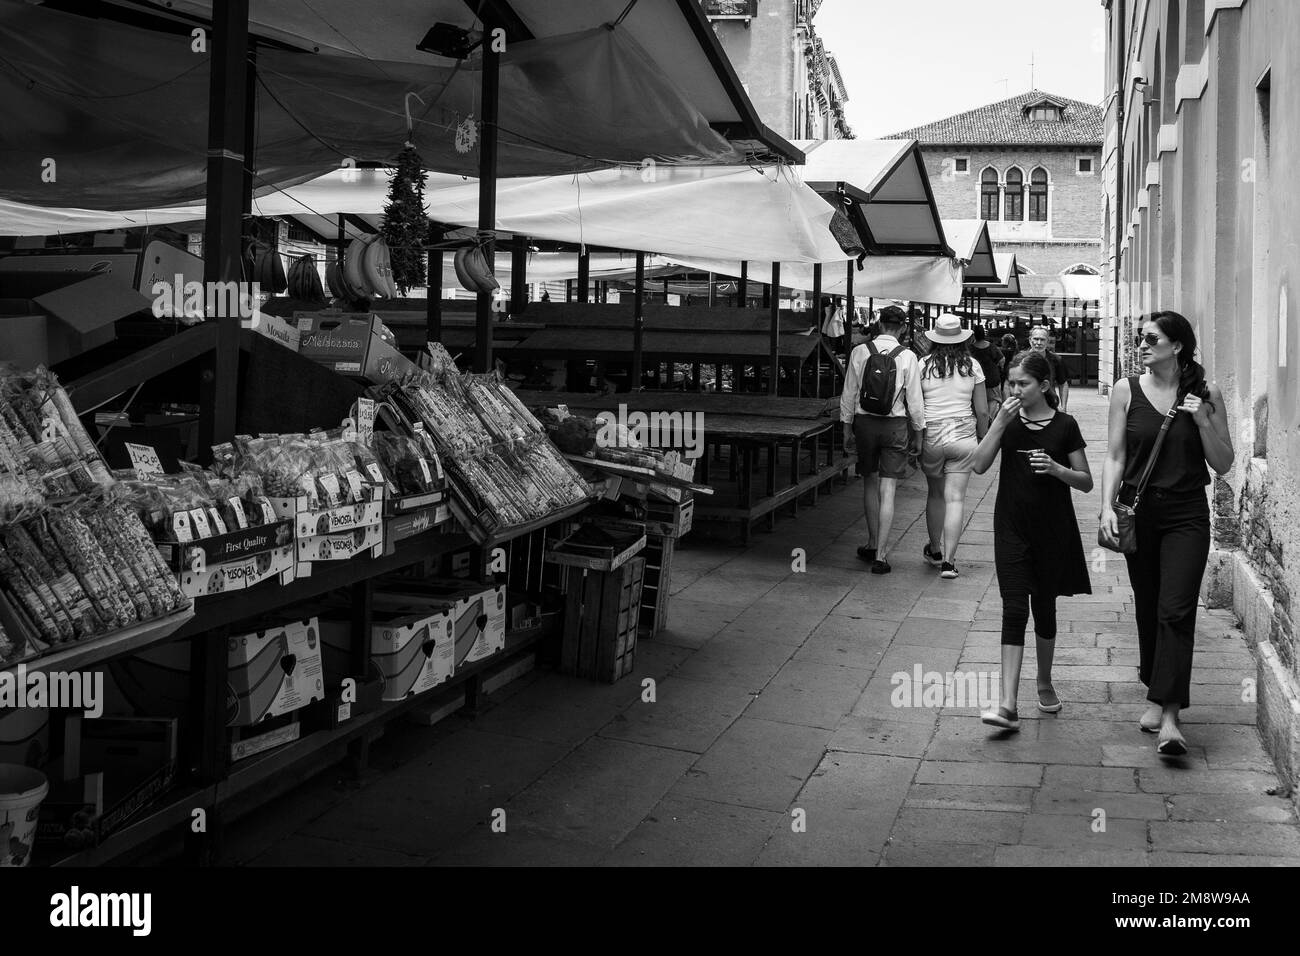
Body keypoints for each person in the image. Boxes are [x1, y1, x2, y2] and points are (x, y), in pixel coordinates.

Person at [1099, 311, 1234, 756]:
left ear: (1176, 346)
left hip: (1187, 515)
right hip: (1140, 512)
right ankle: (1155, 690)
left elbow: (1223, 461)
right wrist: (1106, 506)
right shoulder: (1126, 389)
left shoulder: (1206, 393)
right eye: (1140, 338)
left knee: (1175, 610)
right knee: (1149, 605)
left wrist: (1202, 422)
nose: (1142, 344)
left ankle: (1171, 717)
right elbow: (1116, 455)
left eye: (1151, 338)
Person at [971, 351, 1094, 731]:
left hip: (1052, 527)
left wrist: (1057, 469)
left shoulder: (1065, 425)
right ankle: (1008, 704)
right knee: (1013, 606)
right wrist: (998, 424)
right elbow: (978, 465)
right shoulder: (1006, 422)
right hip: (1011, 525)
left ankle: (1043, 680)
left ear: (1043, 386)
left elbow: (1086, 480)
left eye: (1022, 383)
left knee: (1044, 605)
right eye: (1011, 383)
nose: (1014, 389)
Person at [841, 305, 925, 574]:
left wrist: (846, 427)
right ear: (902, 328)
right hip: (896, 426)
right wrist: (919, 434)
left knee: (869, 482)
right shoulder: (908, 356)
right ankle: (881, 555)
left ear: (878, 324)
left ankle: (871, 540)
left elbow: (850, 393)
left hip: (864, 424)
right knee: (888, 490)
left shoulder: (860, 351)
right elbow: (915, 400)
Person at [918, 314, 988, 579]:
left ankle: (934, 550)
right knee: (956, 498)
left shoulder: (922, 364)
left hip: (933, 434)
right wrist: (982, 440)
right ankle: (949, 562)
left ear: (934, 339)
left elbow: (916, 406)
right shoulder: (972, 365)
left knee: (935, 495)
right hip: (963, 436)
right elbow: (982, 411)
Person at [1028, 325, 1070, 412]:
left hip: (1050, 405)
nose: (1039, 343)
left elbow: (1063, 384)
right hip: (1026, 405)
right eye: (1036, 339)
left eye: (1042, 340)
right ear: (1030, 340)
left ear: (1047, 341)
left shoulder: (1056, 360)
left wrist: (1064, 408)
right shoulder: (1021, 359)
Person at [970, 325, 1004, 425]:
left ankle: (981, 422)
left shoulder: (970, 348)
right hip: (992, 379)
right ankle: (989, 418)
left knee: (976, 402)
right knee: (993, 399)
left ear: (974, 335)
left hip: (976, 380)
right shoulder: (992, 346)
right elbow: (1002, 360)